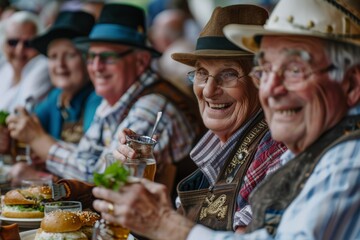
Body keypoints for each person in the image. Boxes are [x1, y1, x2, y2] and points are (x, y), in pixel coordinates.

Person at [92, 0, 360, 239]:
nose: (272, 88)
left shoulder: (346, 159)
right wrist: (146, 214)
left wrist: (163, 223)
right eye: (266, 70)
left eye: (295, 70)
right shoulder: (299, 153)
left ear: (350, 85)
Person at [111, 4, 286, 233]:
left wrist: (159, 221)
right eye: (202, 73)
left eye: (229, 74)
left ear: (262, 81)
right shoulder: (215, 145)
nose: (208, 90)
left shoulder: (273, 150)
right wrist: (141, 182)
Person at [8, 3, 204, 194]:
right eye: (91, 57)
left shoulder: (152, 106)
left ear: (141, 61)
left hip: (162, 222)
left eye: (108, 57)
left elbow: (103, 178)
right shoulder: (114, 99)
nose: (96, 67)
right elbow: (89, 159)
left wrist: (40, 143)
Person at [6, 10, 102, 185]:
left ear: (89, 59)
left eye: (70, 55)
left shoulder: (97, 98)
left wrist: (41, 151)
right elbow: (27, 129)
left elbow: (91, 166)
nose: (60, 65)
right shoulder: (56, 97)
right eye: (53, 56)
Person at [0, 10, 51, 113]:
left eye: (28, 44)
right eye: (12, 42)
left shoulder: (43, 66)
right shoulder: (5, 66)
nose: (19, 50)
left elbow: (20, 114)